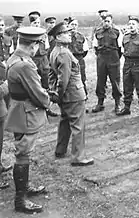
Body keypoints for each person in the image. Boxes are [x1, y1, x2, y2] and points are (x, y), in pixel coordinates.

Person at [5, 27, 51, 214]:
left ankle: (24, 189)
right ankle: (20, 200)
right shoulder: (24, 64)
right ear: (33, 45)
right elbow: (37, 92)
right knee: (23, 153)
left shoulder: (14, 58)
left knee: (23, 151)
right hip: (26, 112)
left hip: (18, 109)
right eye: (37, 44)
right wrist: (48, 101)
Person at [48, 22, 94, 166]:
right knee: (78, 126)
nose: (70, 35)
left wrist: (54, 92)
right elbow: (63, 79)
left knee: (65, 122)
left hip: (65, 96)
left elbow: (52, 75)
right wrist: (59, 94)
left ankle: (60, 149)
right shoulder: (64, 53)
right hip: (73, 95)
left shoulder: (55, 51)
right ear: (58, 36)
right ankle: (78, 157)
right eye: (66, 33)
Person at [116, 16, 139, 119]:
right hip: (127, 64)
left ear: (138, 26)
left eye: (133, 24)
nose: (131, 26)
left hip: (138, 64)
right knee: (127, 86)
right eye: (129, 24)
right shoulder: (125, 37)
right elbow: (122, 50)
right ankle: (126, 108)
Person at [29, 12, 58, 117]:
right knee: (34, 85)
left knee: (45, 85)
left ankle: (47, 108)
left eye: (38, 22)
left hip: (43, 61)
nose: (37, 25)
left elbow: (46, 47)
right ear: (31, 24)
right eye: (34, 23)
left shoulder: (44, 34)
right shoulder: (26, 34)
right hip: (32, 61)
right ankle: (35, 110)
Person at [92, 14, 122, 114]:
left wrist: (115, 57)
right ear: (102, 22)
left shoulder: (117, 32)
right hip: (101, 58)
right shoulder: (98, 32)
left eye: (108, 21)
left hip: (113, 58)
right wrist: (101, 56)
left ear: (112, 22)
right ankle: (100, 103)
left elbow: (120, 48)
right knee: (100, 80)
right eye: (105, 21)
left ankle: (117, 103)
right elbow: (95, 46)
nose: (106, 23)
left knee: (115, 81)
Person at [68, 17, 89, 113]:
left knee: (81, 80)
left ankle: (83, 104)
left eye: (76, 25)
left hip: (79, 60)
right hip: (68, 61)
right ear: (68, 25)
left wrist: (78, 57)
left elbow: (85, 50)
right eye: (72, 24)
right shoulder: (65, 36)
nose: (74, 27)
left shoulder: (81, 36)